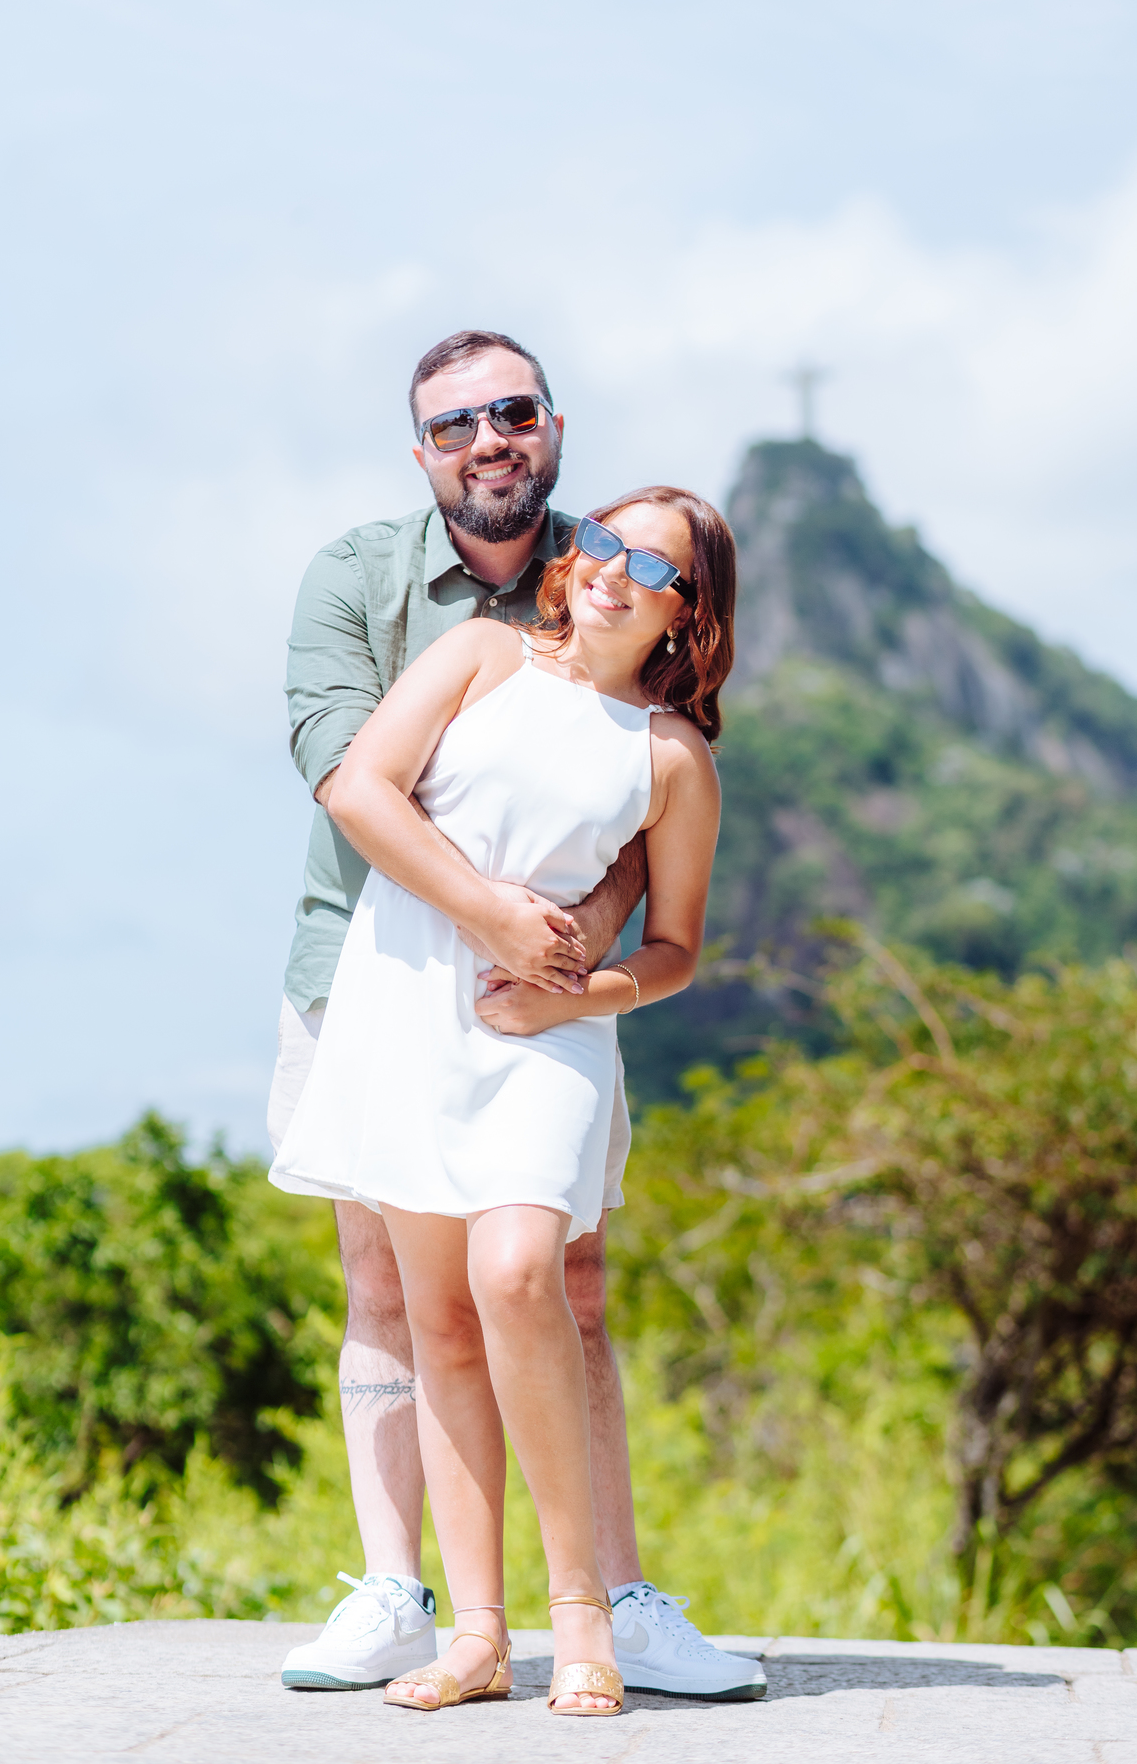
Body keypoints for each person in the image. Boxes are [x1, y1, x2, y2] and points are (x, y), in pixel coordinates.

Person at [270, 330, 766, 1703]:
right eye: (610, 544)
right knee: (420, 1310)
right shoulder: (462, 643)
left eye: (654, 564)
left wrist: (587, 983)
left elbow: (670, 933)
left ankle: (595, 1613)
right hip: (395, 990)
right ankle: (464, 1628)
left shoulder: (672, 754)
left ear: (690, 614)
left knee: (526, 1281)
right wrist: (494, 918)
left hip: (549, 1030)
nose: (615, 565)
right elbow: (356, 783)